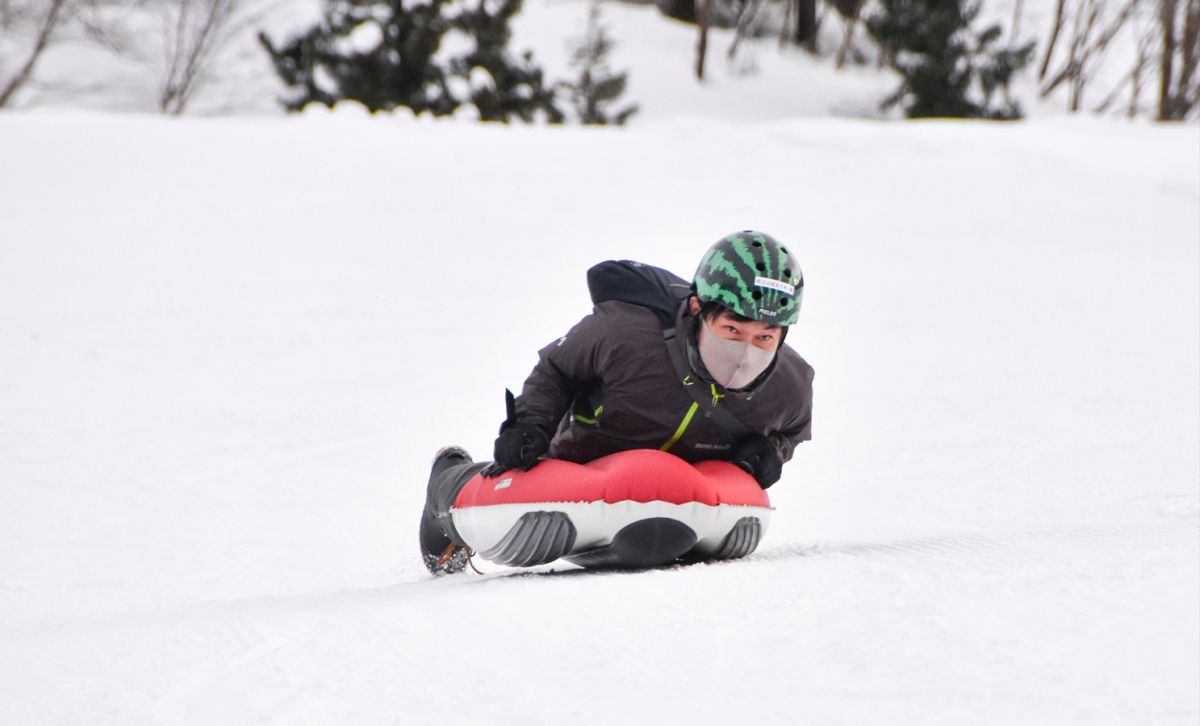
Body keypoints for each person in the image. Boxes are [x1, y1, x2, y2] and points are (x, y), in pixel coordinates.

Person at [419, 230, 815, 574]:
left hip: (689, 480)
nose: (746, 351)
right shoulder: (626, 333)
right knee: (512, 484)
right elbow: (557, 369)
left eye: (764, 337)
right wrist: (530, 425)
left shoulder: (790, 385)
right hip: (580, 462)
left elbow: (791, 431)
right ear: (698, 309)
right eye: (731, 328)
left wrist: (770, 451)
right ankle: (448, 481)